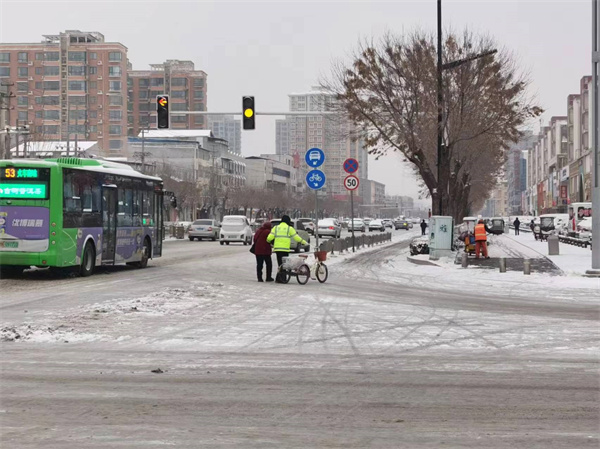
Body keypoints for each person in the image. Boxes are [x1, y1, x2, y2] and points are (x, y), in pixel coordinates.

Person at [266, 215, 308, 283]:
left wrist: (269, 241)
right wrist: (304, 242)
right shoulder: (289, 228)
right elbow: (296, 237)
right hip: (285, 249)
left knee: (280, 264)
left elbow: (269, 238)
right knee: (285, 264)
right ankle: (282, 278)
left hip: (277, 249)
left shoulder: (276, 228)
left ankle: (280, 278)